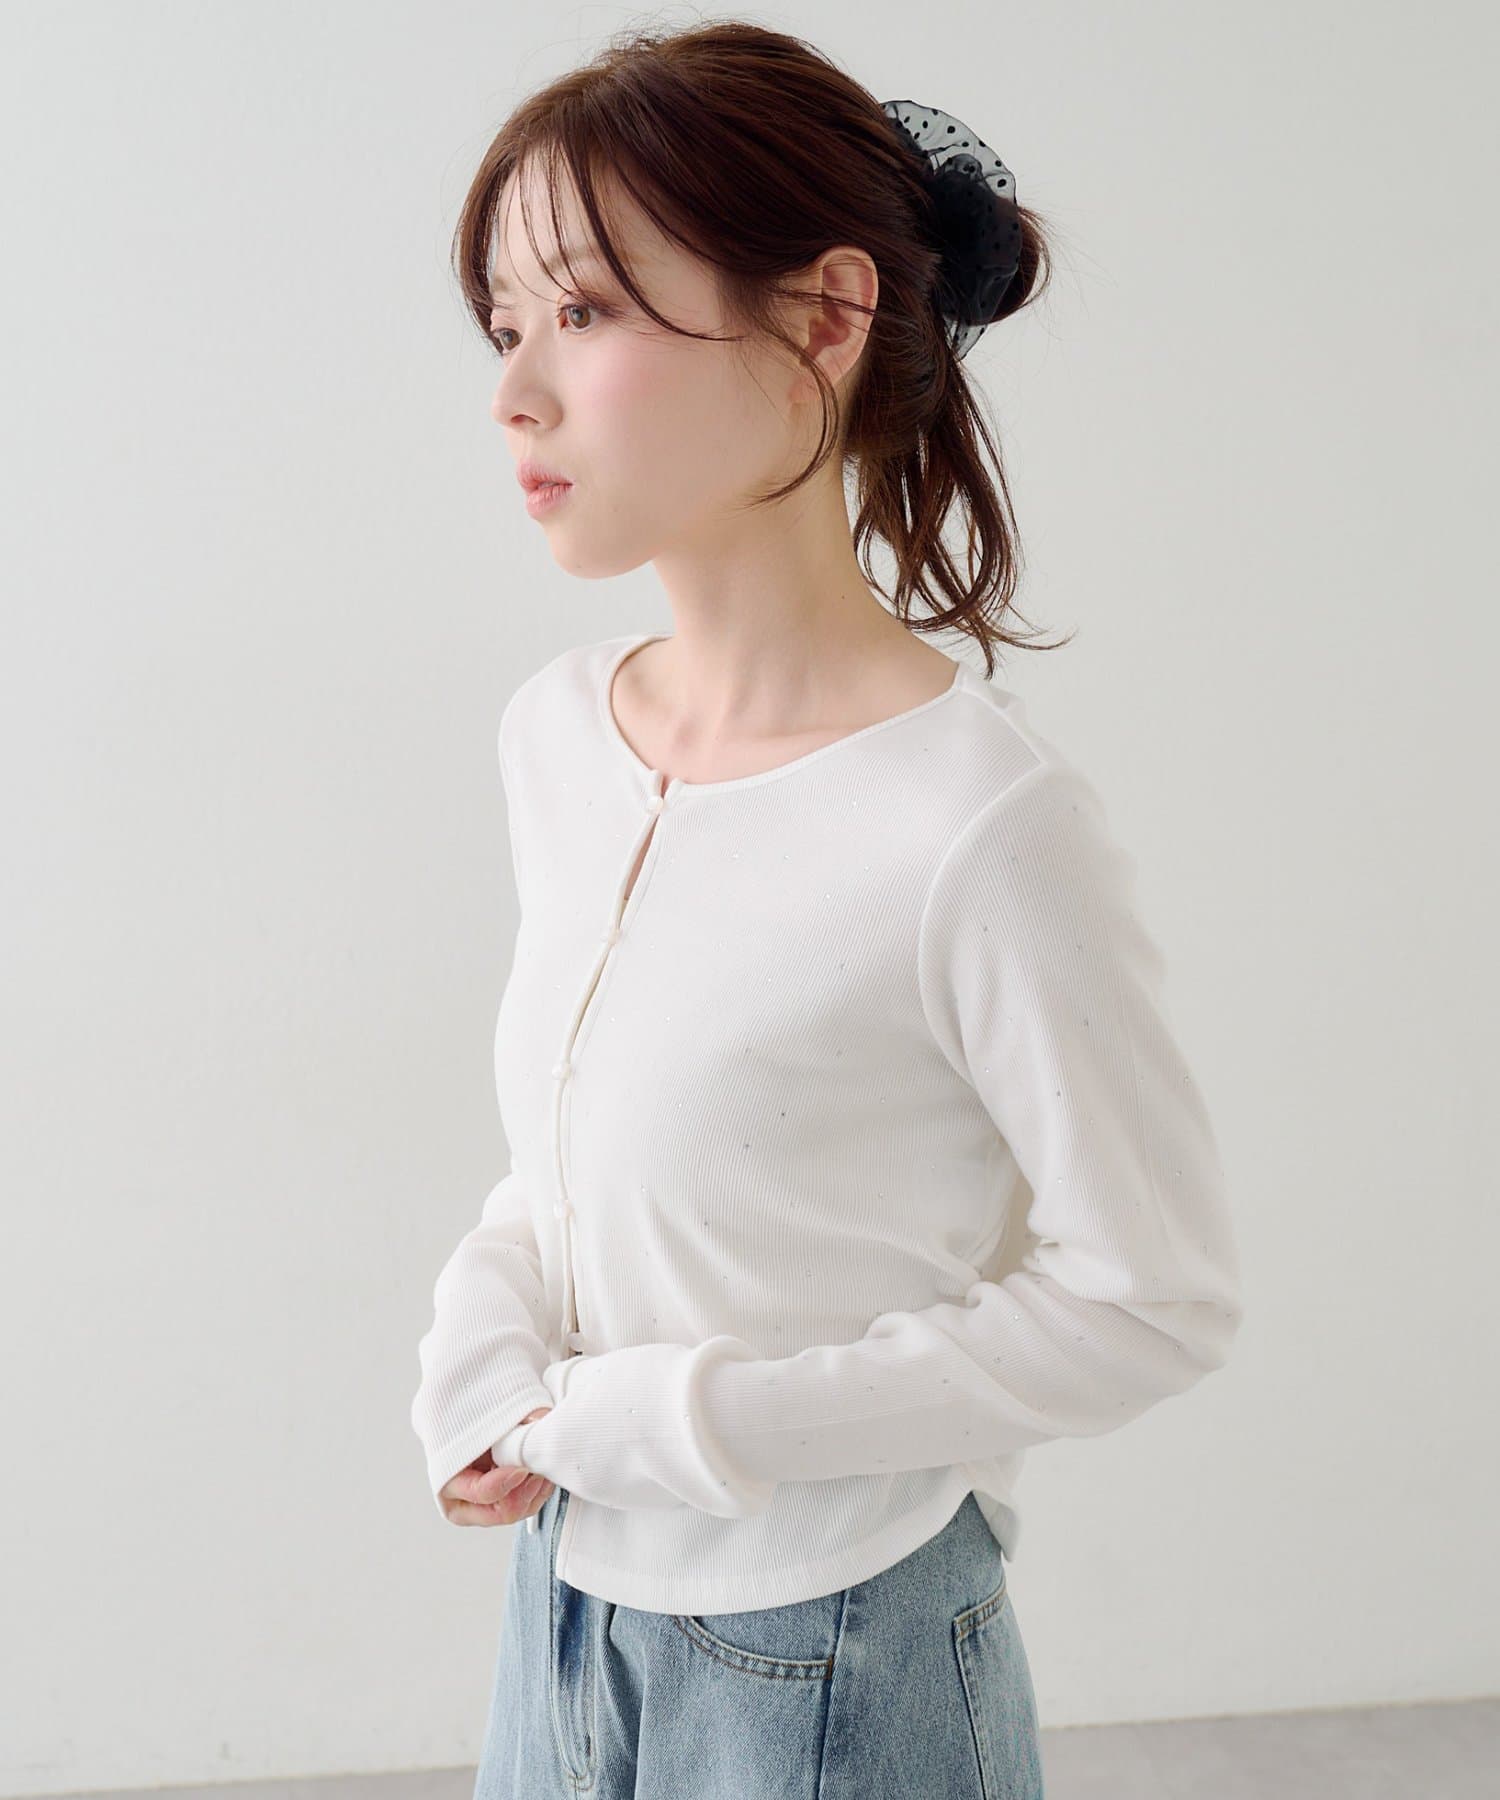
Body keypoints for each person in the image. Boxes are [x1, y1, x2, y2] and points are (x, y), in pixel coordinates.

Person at [410, 19, 1243, 1798]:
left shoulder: (980, 823)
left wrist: (686, 1418)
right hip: (560, 1606)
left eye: (585, 309)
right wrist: (484, 1345)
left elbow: (1150, 1298)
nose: (515, 393)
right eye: (503, 324)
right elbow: (579, 1149)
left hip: (840, 1645)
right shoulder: (557, 739)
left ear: (823, 316)